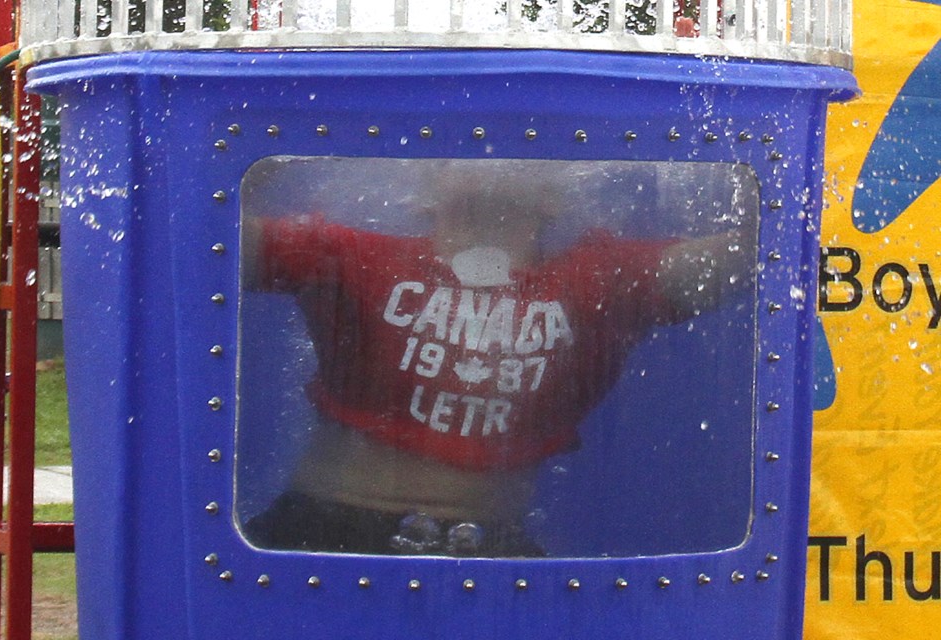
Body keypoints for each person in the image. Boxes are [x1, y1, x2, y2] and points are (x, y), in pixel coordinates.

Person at [240, 163, 752, 557]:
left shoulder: (602, 278)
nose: (490, 148)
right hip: (321, 529)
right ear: (423, 189)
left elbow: (752, 252)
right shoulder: (354, 254)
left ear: (556, 196)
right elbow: (211, 236)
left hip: (488, 546)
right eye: (457, 148)